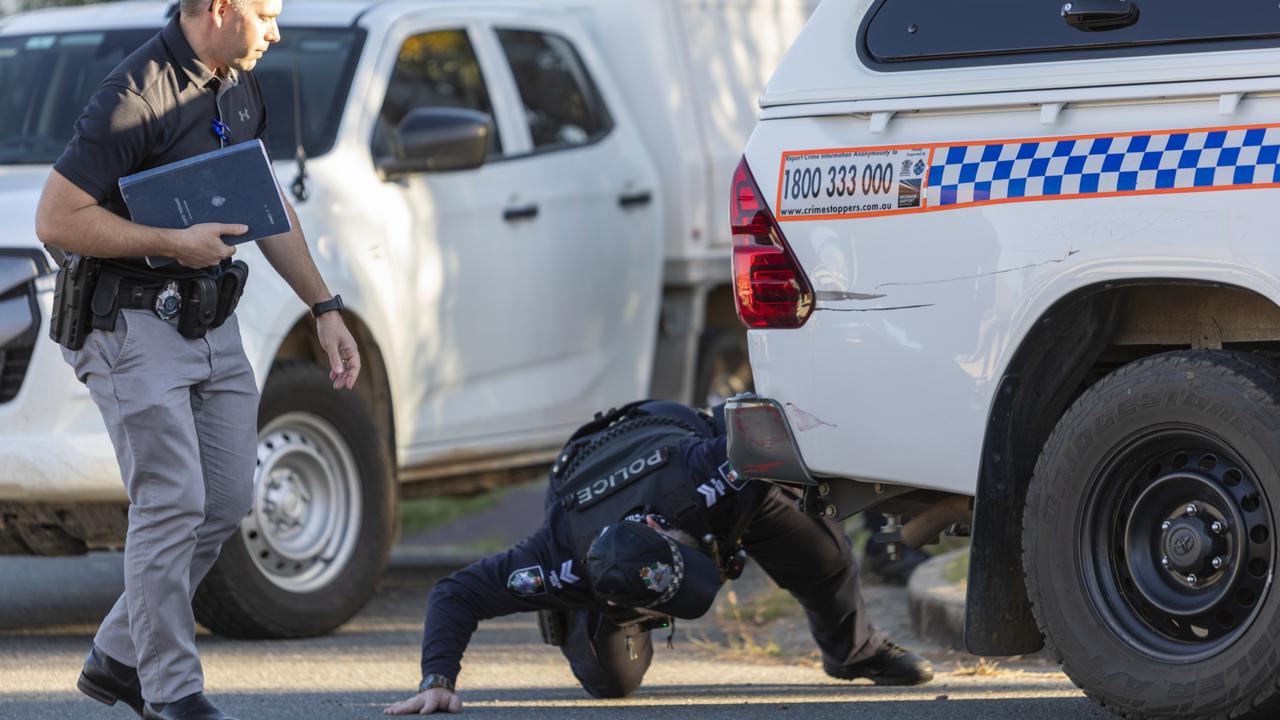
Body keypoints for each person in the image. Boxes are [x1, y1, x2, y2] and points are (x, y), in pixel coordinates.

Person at [33, 0, 360, 718]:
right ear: (218, 7)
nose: (276, 30)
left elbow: (265, 199)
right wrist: (173, 242)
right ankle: (172, 691)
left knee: (224, 500)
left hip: (209, 317)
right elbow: (56, 219)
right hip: (127, 324)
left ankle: (119, 656)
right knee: (172, 500)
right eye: (266, 13)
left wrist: (324, 307)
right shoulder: (133, 96)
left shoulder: (236, 80)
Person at [385, 401, 932, 716]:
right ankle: (584, 620)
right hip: (585, 493)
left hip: (672, 442)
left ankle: (854, 651)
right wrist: (438, 679)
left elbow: (775, 421)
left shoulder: (708, 477)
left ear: (666, 531)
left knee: (823, 554)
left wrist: (887, 503)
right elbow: (455, 593)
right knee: (610, 685)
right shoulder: (561, 562)